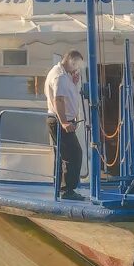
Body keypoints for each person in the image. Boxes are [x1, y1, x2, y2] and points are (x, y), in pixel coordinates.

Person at [44, 50, 86, 200]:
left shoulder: (64, 74)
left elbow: (67, 96)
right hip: (60, 121)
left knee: (63, 155)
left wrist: (74, 83)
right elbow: (59, 100)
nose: (77, 68)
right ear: (71, 61)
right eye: (77, 65)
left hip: (62, 120)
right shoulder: (60, 76)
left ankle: (61, 188)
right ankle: (67, 190)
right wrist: (64, 122)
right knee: (74, 154)